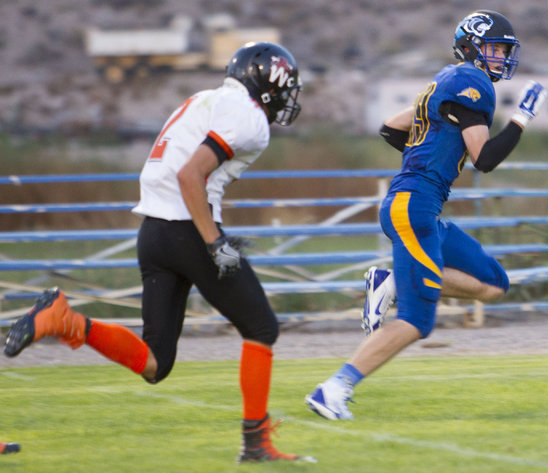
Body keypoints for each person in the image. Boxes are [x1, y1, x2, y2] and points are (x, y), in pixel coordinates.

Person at [4, 41, 315, 463]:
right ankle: (256, 443)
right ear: (267, 83)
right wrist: (214, 242)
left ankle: (65, 319)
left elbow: (193, 173)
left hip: (153, 232)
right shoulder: (250, 117)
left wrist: (210, 227)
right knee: (262, 328)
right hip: (187, 229)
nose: (286, 96)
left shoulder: (204, 100)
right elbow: (191, 176)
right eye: (284, 86)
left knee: (155, 363)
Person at [305, 10, 547, 420]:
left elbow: (389, 128)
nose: (501, 57)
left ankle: (395, 282)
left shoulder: (447, 81)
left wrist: (431, 152)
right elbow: (485, 159)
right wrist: (521, 119)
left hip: (421, 208)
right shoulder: (470, 82)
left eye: (505, 50)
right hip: (412, 207)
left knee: (493, 283)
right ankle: (334, 389)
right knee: (418, 321)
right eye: (494, 48)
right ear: (471, 47)